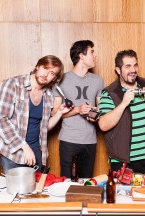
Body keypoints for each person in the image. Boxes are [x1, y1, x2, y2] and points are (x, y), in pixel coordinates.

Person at [0, 55, 72, 173]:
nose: (46, 74)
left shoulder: (47, 95)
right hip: (14, 153)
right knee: (15, 191)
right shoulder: (12, 84)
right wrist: (25, 147)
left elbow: (44, 127)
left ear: (54, 78)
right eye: (45, 68)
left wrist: (60, 113)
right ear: (37, 66)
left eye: (52, 73)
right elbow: (2, 121)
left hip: (37, 152)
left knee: (37, 191)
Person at [98, 49, 145, 177]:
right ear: (118, 70)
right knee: (123, 196)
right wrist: (123, 104)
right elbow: (103, 125)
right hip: (124, 160)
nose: (133, 70)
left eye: (135, 65)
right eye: (127, 66)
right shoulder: (110, 92)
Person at [52, 40, 104, 178]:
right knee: (67, 184)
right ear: (81, 55)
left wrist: (94, 114)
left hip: (90, 141)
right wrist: (77, 110)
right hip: (68, 140)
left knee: (86, 185)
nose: (95, 55)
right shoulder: (61, 80)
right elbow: (53, 113)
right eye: (92, 51)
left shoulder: (98, 80)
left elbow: (101, 110)